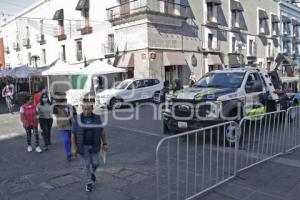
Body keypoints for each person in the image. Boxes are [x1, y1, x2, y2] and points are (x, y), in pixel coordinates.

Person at [71, 99, 108, 192]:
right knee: (86, 165)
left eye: (88, 109)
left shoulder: (97, 118)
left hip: (95, 145)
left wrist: (105, 143)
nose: (86, 111)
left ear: (92, 109)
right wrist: (73, 147)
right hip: (82, 146)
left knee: (96, 163)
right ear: (82, 109)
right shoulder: (77, 119)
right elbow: (73, 135)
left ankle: (92, 173)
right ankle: (89, 183)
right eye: (84, 109)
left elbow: (102, 131)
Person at [53, 94, 76, 161]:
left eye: (65, 101)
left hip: (71, 127)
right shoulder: (57, 109)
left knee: (71, 141)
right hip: (62, 128)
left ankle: (73, 150)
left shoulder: (70, 106)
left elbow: (75, 114)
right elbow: (52, 109)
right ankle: (68, 154)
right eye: (62, 101)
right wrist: (54, 101)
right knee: (66, 140)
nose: (64, 103)